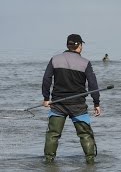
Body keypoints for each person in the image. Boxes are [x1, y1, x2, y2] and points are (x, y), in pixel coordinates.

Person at [42, 34, 101, 164]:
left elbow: (46, 79)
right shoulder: (85, 63)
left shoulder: (55, 59)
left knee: (53, 134)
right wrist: (96, 103)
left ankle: (48, 162)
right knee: (85, 134)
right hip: (78, 106)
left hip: (58, 104)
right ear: (79, 46)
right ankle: (90, 162)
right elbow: (93, 85)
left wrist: (46, 98)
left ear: (67, 45)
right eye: (82, 45)